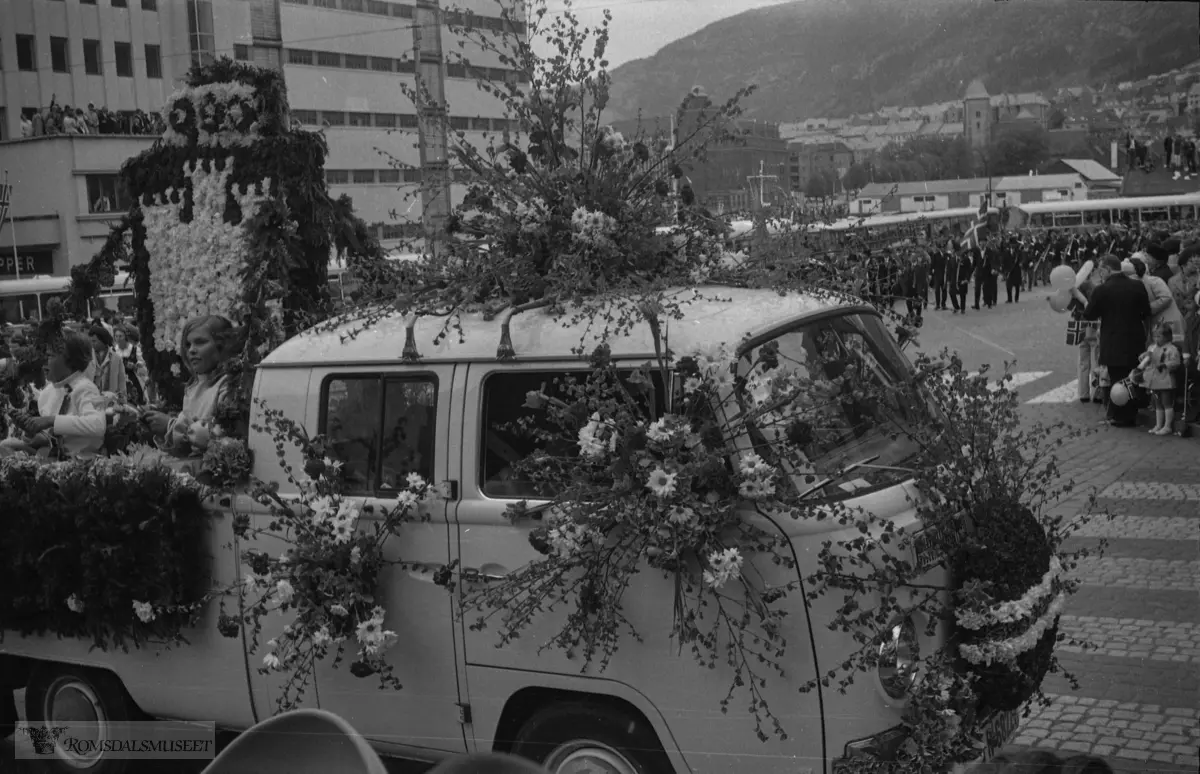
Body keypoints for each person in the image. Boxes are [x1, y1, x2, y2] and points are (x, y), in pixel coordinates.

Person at [1071, 254, 1152, 428]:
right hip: (1135, 338)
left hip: (1113, 340)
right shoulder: (1137, 285)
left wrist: (1083, 301)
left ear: (1107, 269)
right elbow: (1146, 312)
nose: (1101, 274)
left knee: (1117, 378)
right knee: (1132, 376)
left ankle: (1121, 415)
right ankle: (1131, 411)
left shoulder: (1102, 290)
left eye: (1101, 270)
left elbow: (1090, 314)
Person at [0, 330, 105, 459]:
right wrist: (31, 429)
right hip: (57, 463)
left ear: (69, 360)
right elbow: (51, 440)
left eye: (50, 356)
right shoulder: (52, 392)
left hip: (81, 464)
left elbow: (97, 425)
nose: (45, 361)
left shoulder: (85, 388)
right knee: (6, 446)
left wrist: (51, 420)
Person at [141, 315, 239, 453]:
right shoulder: (193, 385)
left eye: (200, 342)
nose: (191, 350)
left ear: (222, 346)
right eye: (188, 345)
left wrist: (169, 425)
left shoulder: (230, 384)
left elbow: (216, 435)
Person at [1139, 322, 1181, 435]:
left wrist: (1165, 365)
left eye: (1159, 336)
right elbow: (1148, 358)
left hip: (1166, 379)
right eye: (1155, 336)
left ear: (1167, 337)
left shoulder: (1172, 349)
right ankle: (1158, 424)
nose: (1156, 339)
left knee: (1166, 402)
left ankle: (1167, 426)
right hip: (1156, 379)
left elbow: (1176, 362)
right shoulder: (1153, 348)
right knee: (1157, 403)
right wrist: (1143, 357)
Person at [89, 324, 127, 401]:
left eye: (94, 341)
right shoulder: (88, 357)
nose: (92, 344)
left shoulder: (116, 358)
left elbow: (121, 382)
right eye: (91, 341)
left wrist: (122, 400)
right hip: (91, 402)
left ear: (103, 341)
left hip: (111, 402)